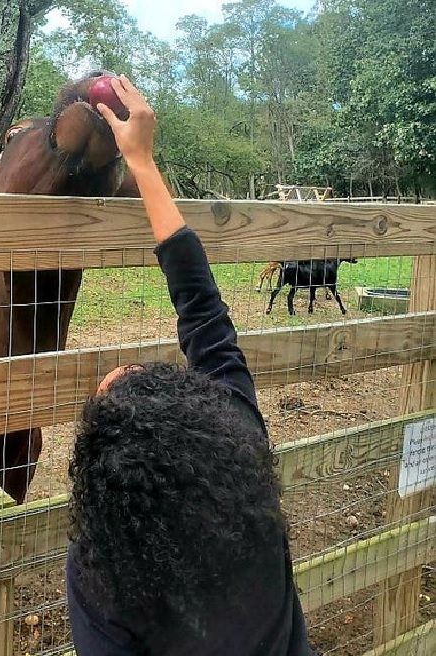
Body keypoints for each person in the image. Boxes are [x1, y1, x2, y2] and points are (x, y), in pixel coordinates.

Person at [66, 75, 315, 656]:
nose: (115, 374)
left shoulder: (103, 573)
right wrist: (144, 162)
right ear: (192, 408)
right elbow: (203, 310)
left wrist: (141, 160)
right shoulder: (240, 445)